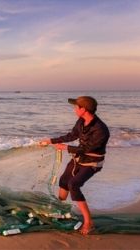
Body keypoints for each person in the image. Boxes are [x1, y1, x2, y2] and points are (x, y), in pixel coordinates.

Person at [39, 96, 109, 235]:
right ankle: (60, 210)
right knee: (64, 181)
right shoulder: (82, 121)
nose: (74, 109)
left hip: (92, 162)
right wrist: (51, 140)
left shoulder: (101, 129)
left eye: (76, 107)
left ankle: (89, 222)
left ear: (83, 109)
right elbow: (72, 135)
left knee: (74, 184)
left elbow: (87, 149)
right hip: (79, 158)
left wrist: (65, 148)